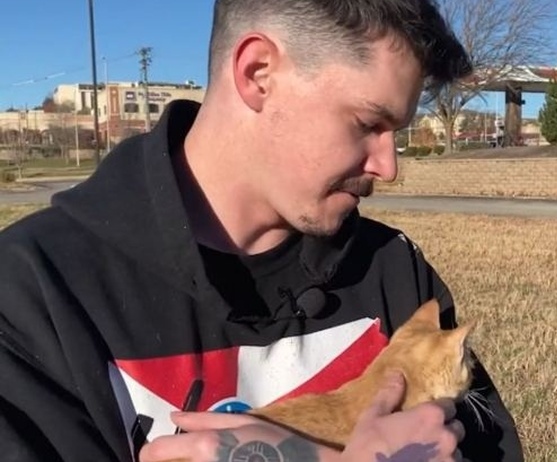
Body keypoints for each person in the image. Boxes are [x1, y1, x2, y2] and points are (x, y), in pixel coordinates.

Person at [0, 1, 523, 461]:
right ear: (257, 73)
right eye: (368, 124)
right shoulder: (32, 296)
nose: (388, 166)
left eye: (397, 133)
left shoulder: (393, 271)